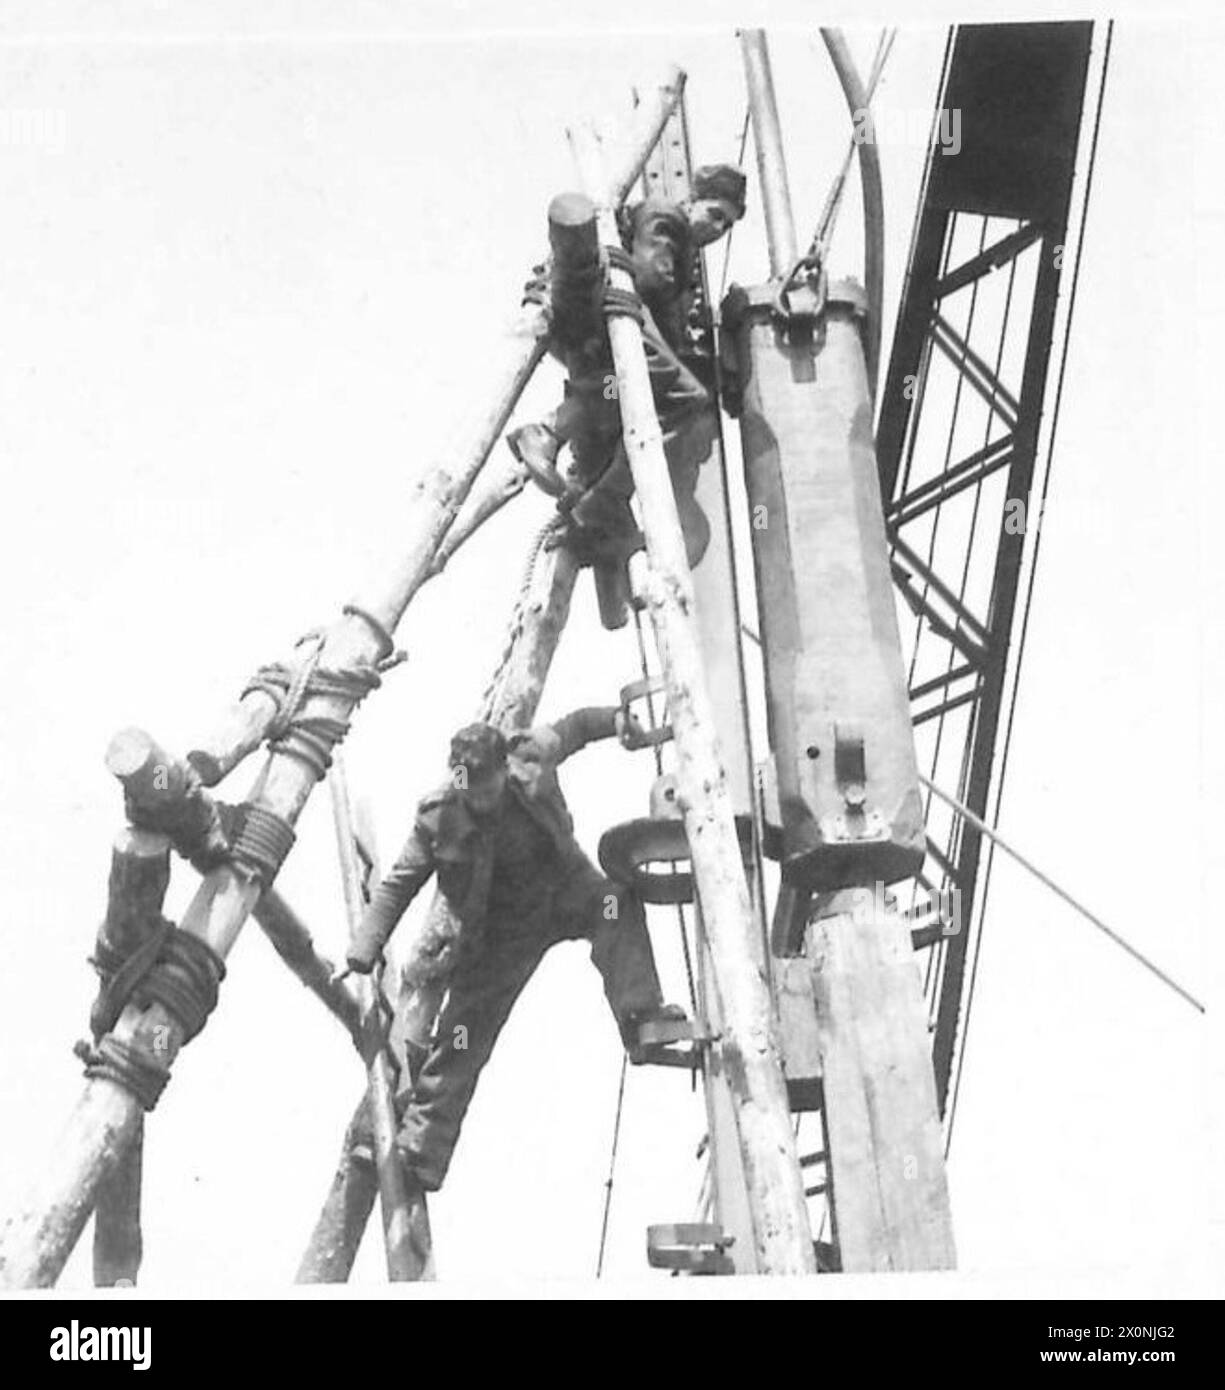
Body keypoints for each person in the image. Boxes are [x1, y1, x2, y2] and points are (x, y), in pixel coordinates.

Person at [345, 711, 687, 1193]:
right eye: (471, 792)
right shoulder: (442, 814)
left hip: (565, 891)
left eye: (488, 790)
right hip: (499, 934)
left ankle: (641, 1016)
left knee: (616, 903)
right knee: (463, 1036)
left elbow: (575, 729)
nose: (480, 802)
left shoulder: (529, 758)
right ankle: (422, 1148)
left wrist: (617, 721)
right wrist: (364, 946)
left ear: (504, 770)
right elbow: (400, 884)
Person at [508, 174, 744, 628]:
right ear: (692, 200)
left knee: (612, 391)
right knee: (687, 401)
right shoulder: (666, 217)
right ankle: (601, 500)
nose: (717, 229)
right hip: (614, 312)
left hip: (592, 331)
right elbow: (653, 278)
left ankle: (548, 433)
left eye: (727, 226)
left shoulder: (673, 234)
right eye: (715, 215)